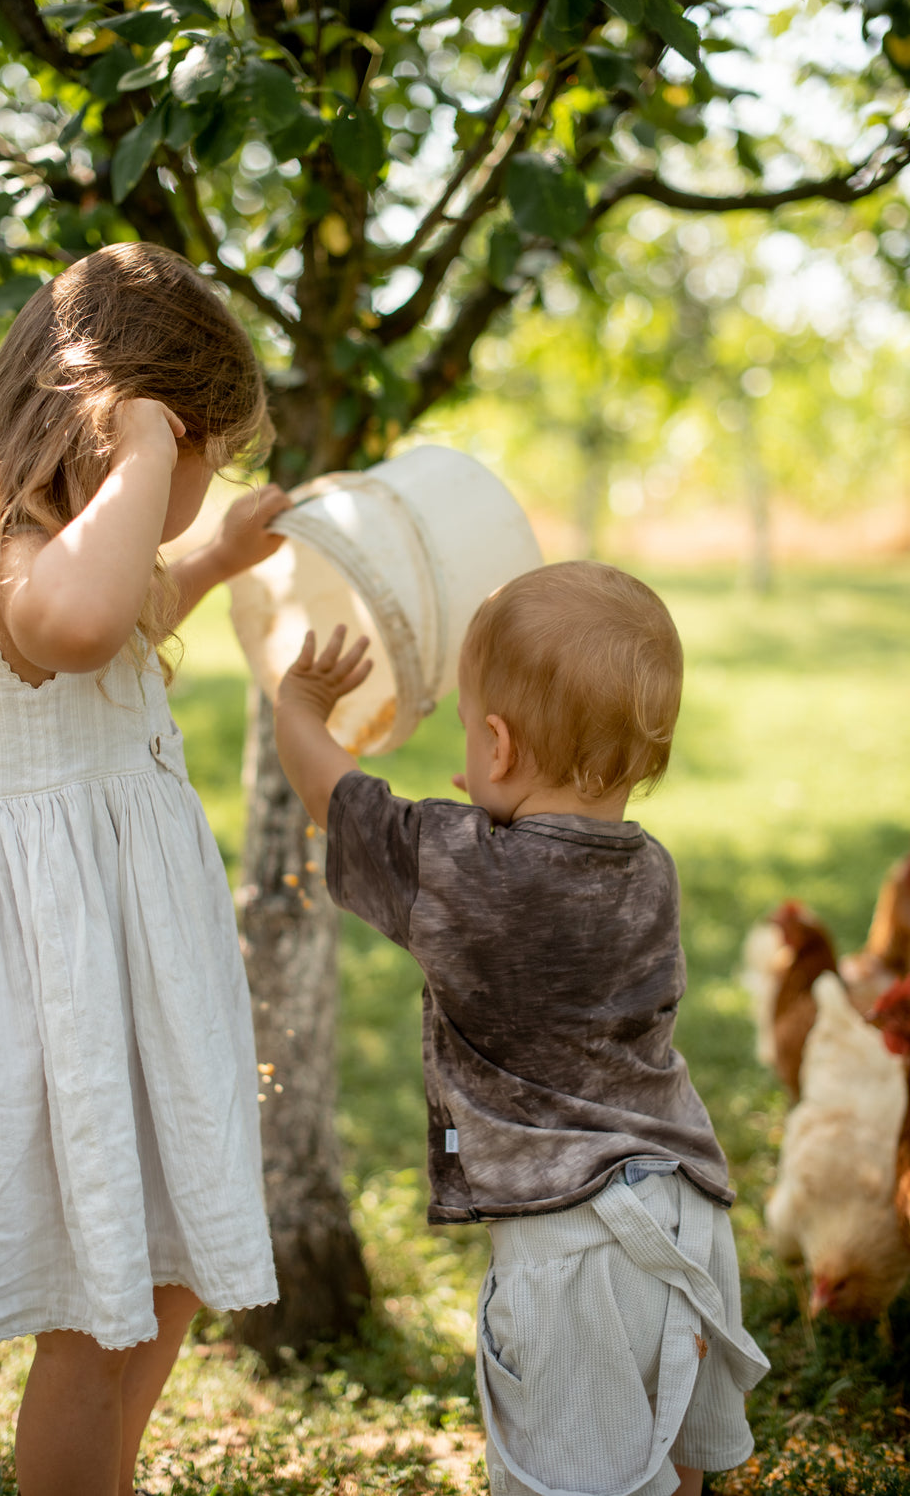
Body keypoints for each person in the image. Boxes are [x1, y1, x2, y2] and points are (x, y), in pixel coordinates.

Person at [0, 242, 285, 1496]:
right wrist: (156, 451)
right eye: (200, 448)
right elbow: (82, 621)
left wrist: (215, 556)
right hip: (64, 989)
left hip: (132, 976)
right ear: (126, 432)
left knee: (158, 1278)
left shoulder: (77, 557)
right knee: (98, 1311)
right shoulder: (19, 552)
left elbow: (130, 617)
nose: (197, 476)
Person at [273, 559, 770, 1496]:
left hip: (566, 1246)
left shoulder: (454, 866)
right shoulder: (651, 871)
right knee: (673, 1464)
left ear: (496, 746)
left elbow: (340, 800)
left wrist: (300, 708)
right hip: (687, 1211)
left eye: (470, 725)